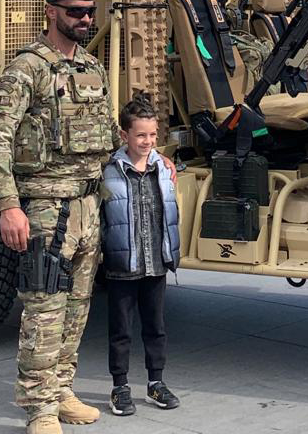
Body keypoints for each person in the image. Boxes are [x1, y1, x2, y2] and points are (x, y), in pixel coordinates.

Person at [0, 0, 175, 434]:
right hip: (47, 207)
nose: (85, 19)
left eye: (90, 12)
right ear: (51, 12)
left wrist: (152, 157)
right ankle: (39, 408)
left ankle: (62, 390)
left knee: (77, 307)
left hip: (89, 205)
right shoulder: (26, 69)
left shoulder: (92, 68)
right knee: (45, 309)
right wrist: (8, 205)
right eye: (75, 11)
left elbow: (107, 138)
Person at [101, 94, 181, 417]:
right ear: (124, 135)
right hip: (123, 264)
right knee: (121, 330)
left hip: (155, 262)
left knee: (155, 327)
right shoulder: (108, 170)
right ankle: (120, 386)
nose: (147, 141)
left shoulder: (162, 167)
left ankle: (156, 382)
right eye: (140, 135)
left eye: (152, 134)